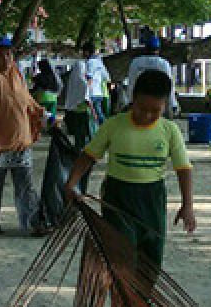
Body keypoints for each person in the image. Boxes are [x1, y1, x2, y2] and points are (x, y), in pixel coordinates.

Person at [64, 70, 196, 285]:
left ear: (165, 105)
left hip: (152, 198)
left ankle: (143, 304)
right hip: (118, 196)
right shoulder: (114, 125)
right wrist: (71, 183)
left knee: (151, 254)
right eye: (142, 108)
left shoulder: (170, 130)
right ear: (132, 99)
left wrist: (187, 205)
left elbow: (184, 169)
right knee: (121, 253)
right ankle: (123, 303)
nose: (147, 115)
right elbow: (88, 156)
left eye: (155, 110)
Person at [0, 37, 46, 236]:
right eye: (0, 53)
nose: (5, 57)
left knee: (26, 185)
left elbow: (26, 99)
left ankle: (32, 223)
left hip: (21, 141)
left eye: (8, 53)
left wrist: (41, 113)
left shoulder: (17, 75)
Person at [125, 36, 177, 114]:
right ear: (158, 49)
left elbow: (131, 83)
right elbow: (170, 85)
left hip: (140, 101)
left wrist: (130, 101)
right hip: (158, 101)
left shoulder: (136, 62)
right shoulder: (163, 64)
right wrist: (173, 104)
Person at [62, 47, 95, 152]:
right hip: (83, 111)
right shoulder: (83, 82)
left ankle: (77, 149)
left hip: (73, 110)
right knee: (84, 132)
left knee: (77, 133)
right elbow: (86, 98)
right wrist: (93, 111)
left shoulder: (72, 80)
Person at [83, 43, 110, 122]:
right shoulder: (100, 62)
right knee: (99, 113)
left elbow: (89, 78)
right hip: (99, 93)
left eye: (84, 51)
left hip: (92, 93)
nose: (83, 54)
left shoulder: (90, 62)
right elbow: (107, 77)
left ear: (87, 52)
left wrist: (86, 93)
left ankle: (103, 129)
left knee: (93, 117)